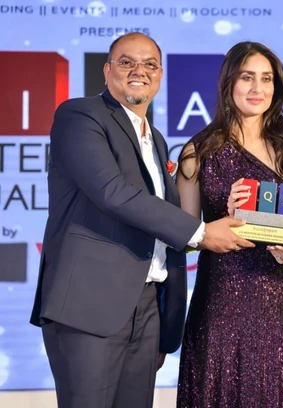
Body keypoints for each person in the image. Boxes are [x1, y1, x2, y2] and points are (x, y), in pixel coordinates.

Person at [29, 32, 253, 408]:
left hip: (147, 308)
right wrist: (200, 232)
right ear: (107, 71)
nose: (139, 71)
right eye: (126, 62)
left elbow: (161, 219)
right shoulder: (80, 115)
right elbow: (112, 192)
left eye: (150, 64)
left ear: (160, 75)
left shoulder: (157, 139)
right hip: (90, 305)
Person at [175, 41, 283, 407]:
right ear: (229, 83)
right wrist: (222, 224)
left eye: (266, 79)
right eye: (247, 77)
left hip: (281, 304)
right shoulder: (198, 152)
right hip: (220, 304)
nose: (258, 88)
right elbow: (183, 237)